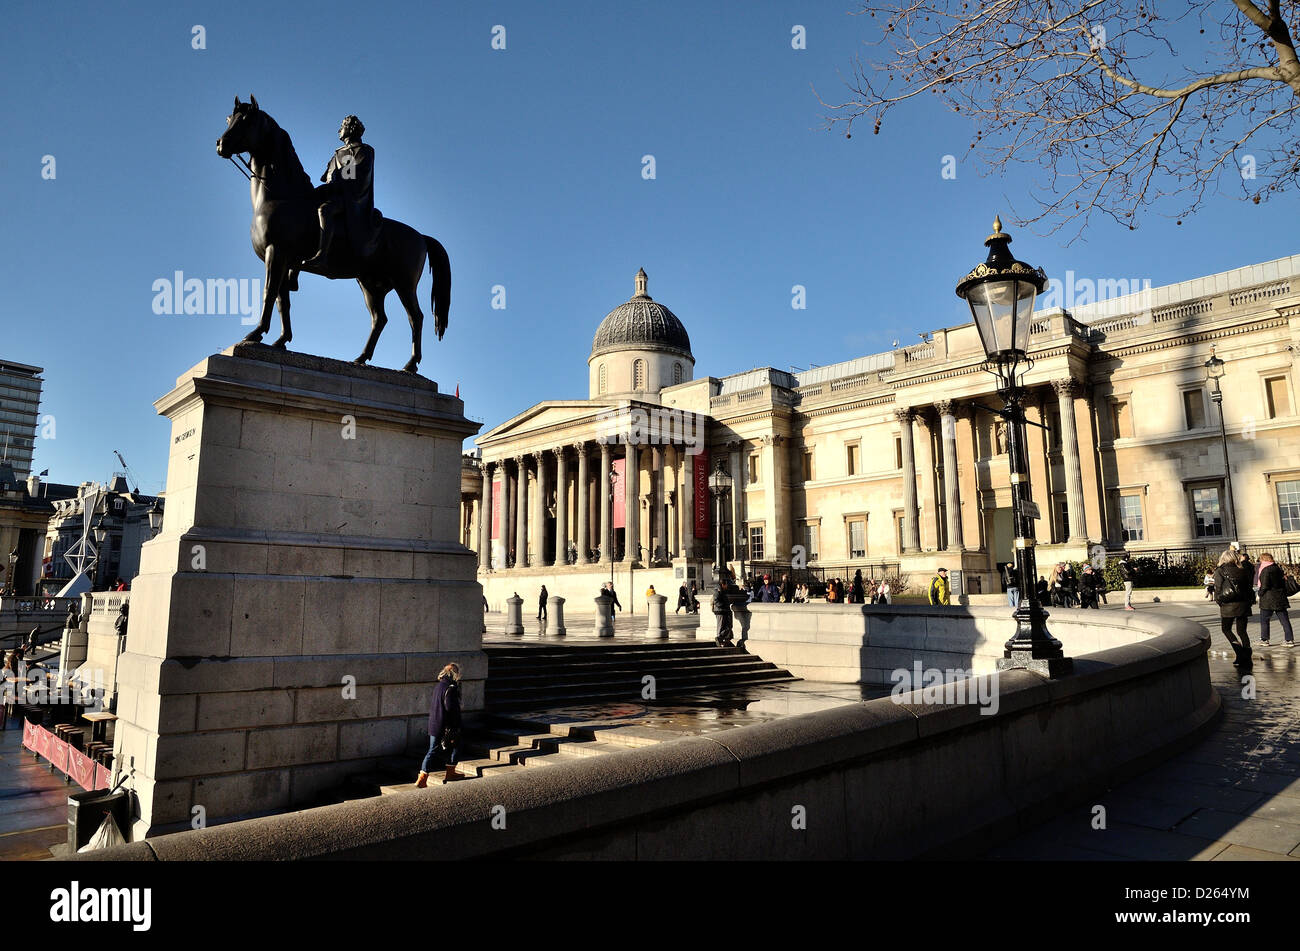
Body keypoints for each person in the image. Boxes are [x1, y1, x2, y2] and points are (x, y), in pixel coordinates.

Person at [302, 115, 381, 270]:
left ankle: (322, 256)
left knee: (325, 210)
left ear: (351, 129)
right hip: (335, 194)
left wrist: (332, 186)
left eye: (342, 126)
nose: (339, 130)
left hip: (350, 200)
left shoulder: (361, 151)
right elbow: (330, 179)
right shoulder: (339, 153)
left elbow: (352, 178)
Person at [415, 663, 463, 787]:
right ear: (454, 674)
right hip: (447, 724)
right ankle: (450, 773)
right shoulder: (451, 688)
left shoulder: (439, 686)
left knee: (432, 750)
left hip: (434, 723)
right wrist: (456, 724)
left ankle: (422, 778)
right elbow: (450, 708)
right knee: (456, 746)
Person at [1213, 548, 1255, 671]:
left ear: (1223, 558)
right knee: (1242, 631)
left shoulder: (1220, 570)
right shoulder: (1243, 569)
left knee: (1226, 629)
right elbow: (1248, 586)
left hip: (1228, 604)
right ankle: (1247, 655)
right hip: (1243, 603)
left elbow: (1218, 588)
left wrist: (1219, 601)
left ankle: (1239, 653)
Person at [1257, 553, 1294, 648]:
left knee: (1264, 620)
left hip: (1268, 598)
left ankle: (1265, 639)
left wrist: (1260, 593)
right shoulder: (1278, 568)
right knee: (1284, 620)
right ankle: (1289, 640)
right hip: (1280, 597)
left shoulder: (1265, 570)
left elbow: (1264, 585)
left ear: (1263, 559)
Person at [712, 581, 734, 647]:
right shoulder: (718, 591)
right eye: (726, 585)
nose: (727, 586)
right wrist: (723, 605)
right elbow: (716, 600)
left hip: (724, 610)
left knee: (726, 626)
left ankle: (721, 639)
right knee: (721, 626)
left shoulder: (722, 591)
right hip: (720, 611)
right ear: (723, 584)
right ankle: (719, 638)